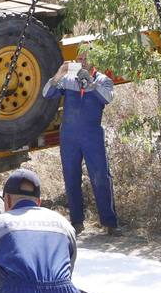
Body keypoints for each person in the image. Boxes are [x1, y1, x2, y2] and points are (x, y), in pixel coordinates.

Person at [42, 54, 121, 235]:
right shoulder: (69, 79)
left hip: (92, 135)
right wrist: (58, 74)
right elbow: (46, 93)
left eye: (87, 58)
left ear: (95, 59)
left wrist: (92, 84)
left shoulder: (104, 80)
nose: (83, 62)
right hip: (69, 136)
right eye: (80, 58)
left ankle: (110, 223)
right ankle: (77, 222)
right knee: (71, 178)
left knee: (101, 177)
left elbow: (108, 98)